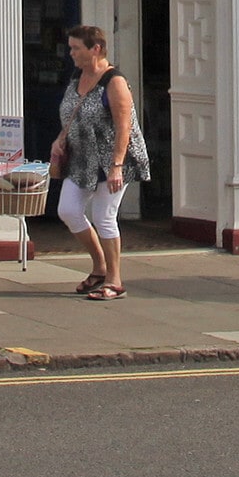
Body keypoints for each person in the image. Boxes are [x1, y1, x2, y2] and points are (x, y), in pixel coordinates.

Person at [50, 23, 149, 301]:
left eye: (76, 48)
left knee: (104, 216)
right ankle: (99, 267)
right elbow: (72, 113)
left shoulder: (114, 81)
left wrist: (117, 165)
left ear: (96, 49)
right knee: (68, 210)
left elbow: (124, 127)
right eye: (71, 48)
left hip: (112, 160)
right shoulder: (76, 76)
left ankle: (115, 281)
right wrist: (60, 138)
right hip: (82, 158)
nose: (71, 53)